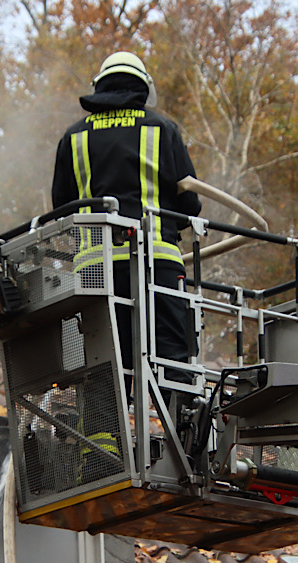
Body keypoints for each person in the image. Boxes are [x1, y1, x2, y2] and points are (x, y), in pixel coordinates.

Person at [51, 51, 202, 387]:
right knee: (172, 361)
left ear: (100, 86)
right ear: (144, 87)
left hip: (94, 270)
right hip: (156, 264)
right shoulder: (162, 128)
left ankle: (104, 438)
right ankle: (180, 432)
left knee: (102, 365)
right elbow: (189, 204)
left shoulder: (73, 137)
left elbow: (61, 205)